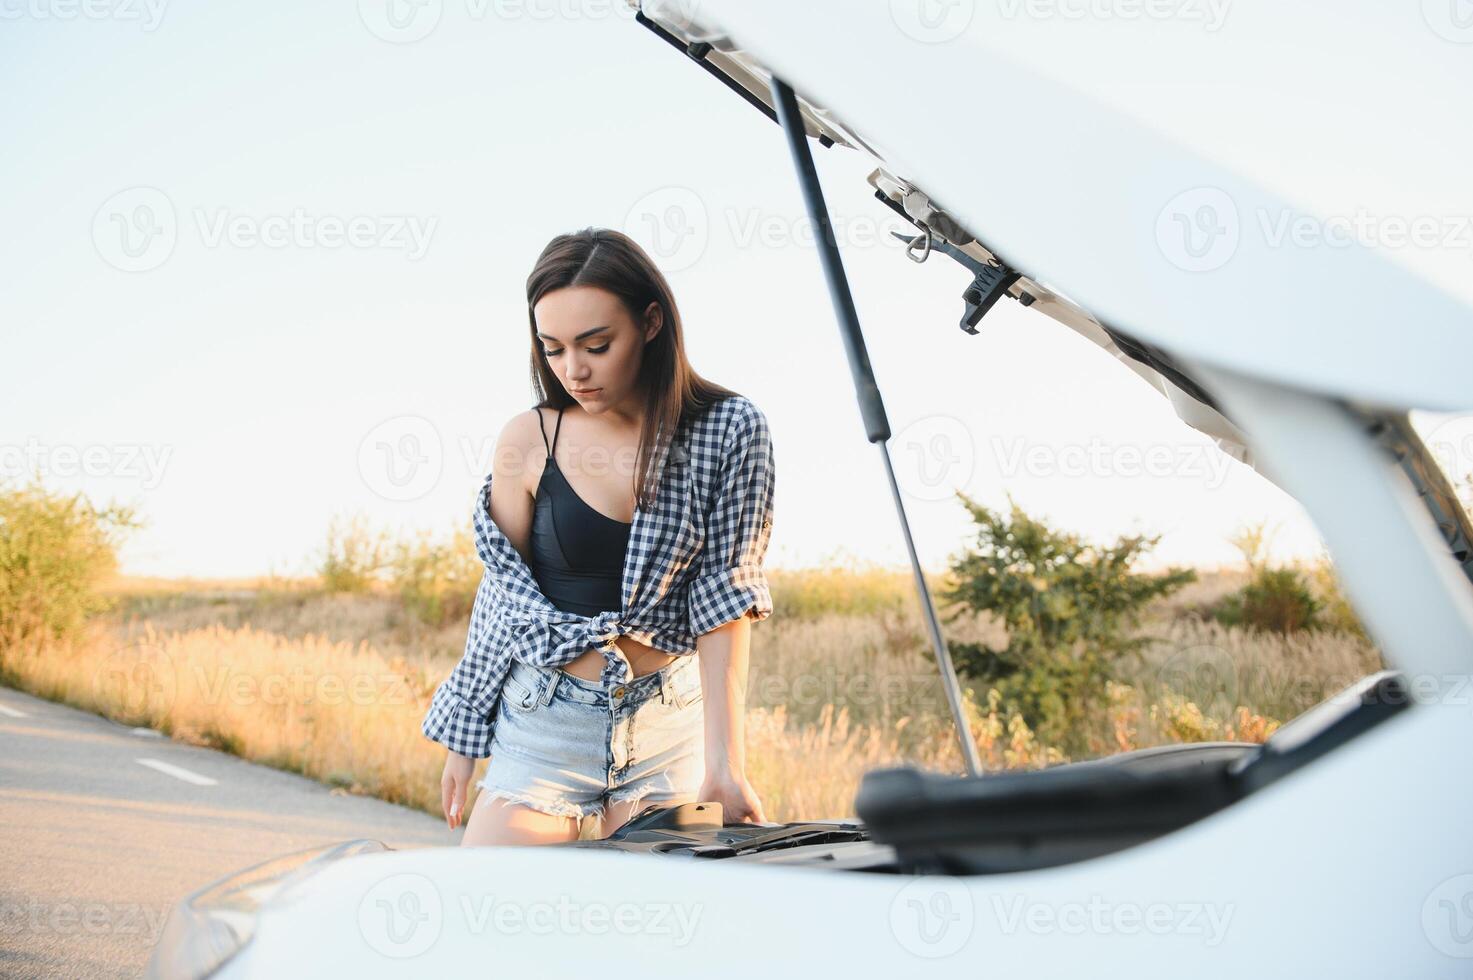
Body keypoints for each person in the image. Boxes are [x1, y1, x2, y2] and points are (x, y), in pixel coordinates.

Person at [420, 227, 777, 845]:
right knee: (491, 912)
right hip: (544, 723)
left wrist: (725, 767)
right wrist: (463, 737)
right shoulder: (530, 437)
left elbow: (725, 601)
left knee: (655, 932)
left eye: (597, 344)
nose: (574, 370)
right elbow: (502, 596)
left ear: (652, 322)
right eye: (553, 349)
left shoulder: (729, 429)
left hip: (667, 728)